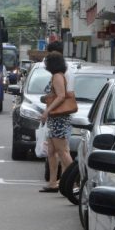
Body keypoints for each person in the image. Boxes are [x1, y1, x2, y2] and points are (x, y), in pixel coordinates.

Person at [39, 52, 76, 192]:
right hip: (55, 119)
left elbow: (61, 96)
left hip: (58, 118)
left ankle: (74, 180)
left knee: (62, 151)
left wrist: (47, 111)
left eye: (47, 62)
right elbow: (56, 95)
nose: (46, 65)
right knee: (51, 151)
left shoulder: (57, 76)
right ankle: (53, 182)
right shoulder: (57, 76)